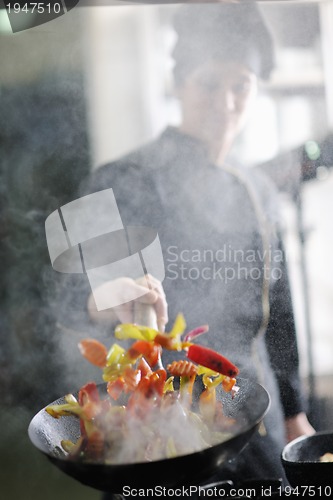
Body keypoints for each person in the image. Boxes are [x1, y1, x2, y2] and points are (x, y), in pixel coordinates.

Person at [73, 1, 315, 491]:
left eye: (240, 86)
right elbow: (64, 300)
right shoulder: (111, 181)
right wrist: (98, 301)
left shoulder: (259, 191)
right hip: (156, 433)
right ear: (180, 82)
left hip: (258, 428)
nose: (225, 103)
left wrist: (295, 413)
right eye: (209, 83)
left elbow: (281, 316)